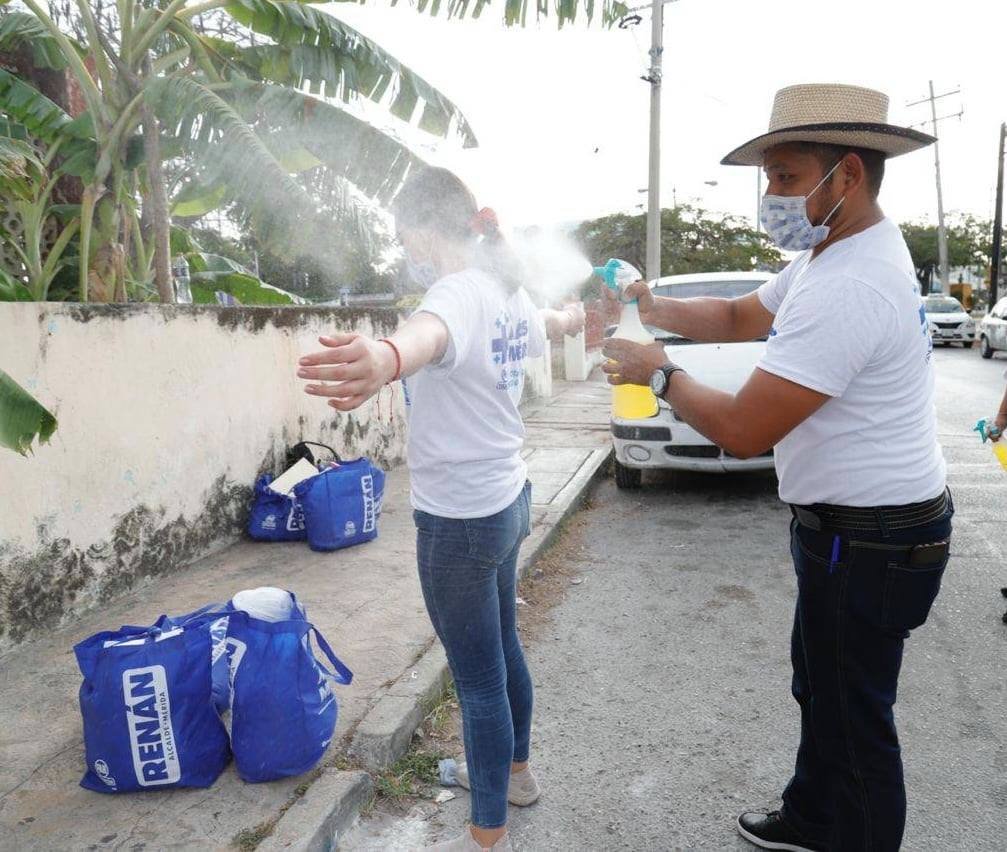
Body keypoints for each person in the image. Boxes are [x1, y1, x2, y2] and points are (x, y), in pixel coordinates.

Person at [603, 84, 953, 851]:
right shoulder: (832, 252)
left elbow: (741, 429)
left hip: (869, 540)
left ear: (848, 174)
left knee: (854, 718)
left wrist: (657, 373)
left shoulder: (850, 282)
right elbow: (735, 316)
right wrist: (651, 306)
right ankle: (811, 817)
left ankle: (847, 831)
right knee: (821, 687)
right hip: (849, 532)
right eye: (767, 177)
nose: (771, 196)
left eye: (786, 177)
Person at [297, 166, 584, 852]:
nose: (406, 250)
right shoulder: (505, 291)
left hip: (458, 520)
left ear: (426, 230)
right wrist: (569, 317)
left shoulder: (453, 292)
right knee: (503, 650)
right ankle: (516, 776)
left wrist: (387, 357)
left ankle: (487, 838)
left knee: (478, 678)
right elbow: (542, 325)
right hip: (508, 499)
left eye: (405, 237)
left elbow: (427, 336)